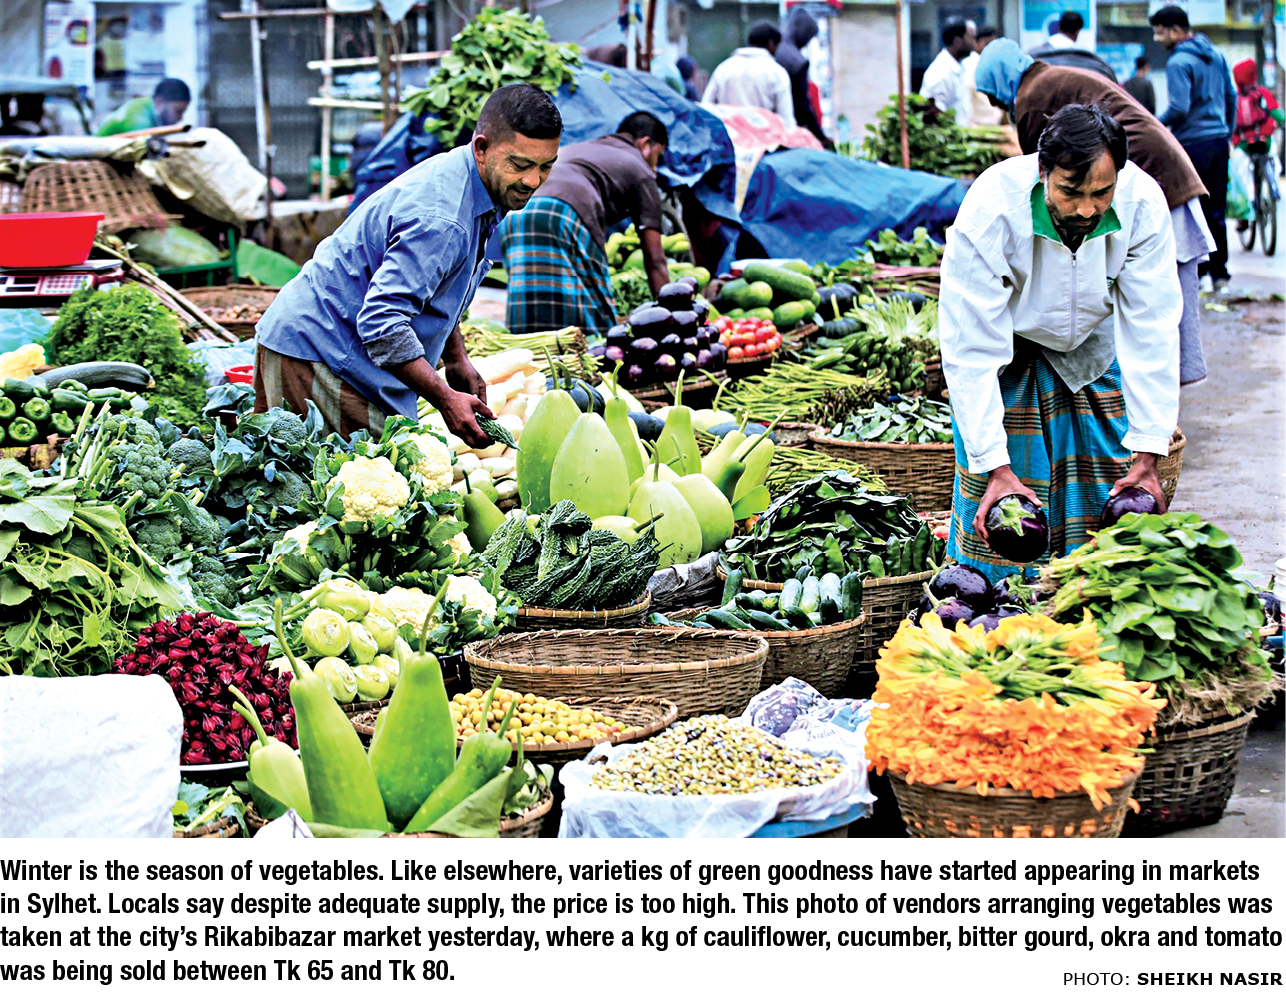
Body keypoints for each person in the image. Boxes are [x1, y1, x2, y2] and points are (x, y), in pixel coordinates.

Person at [939, 104, 1180, 579]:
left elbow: (1151, 327)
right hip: (1009, 352)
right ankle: (999, 601)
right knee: (1005, 522)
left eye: (1102, 192)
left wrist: (1150, 453)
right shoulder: (992, 208)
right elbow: (970, 348)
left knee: (1105, 510)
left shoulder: (1142, 204)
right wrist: (995, 469)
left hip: (1093, 352)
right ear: (1043, 171)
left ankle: (1088, 599)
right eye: (1071, 192)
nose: (1087, 209)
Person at [253, 84, 562, 443]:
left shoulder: (475, 181)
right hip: (318, 355)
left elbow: (435, 286)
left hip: (341, 351)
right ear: (481, 148)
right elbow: (381, 323)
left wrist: (456, 357)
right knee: (341, 475)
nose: (532, 181)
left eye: (545, 167)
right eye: (520, 165)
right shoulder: (442, 219)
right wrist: (444, 399)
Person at [976, 38, 1213, 386]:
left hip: (1158, 182)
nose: (996, 104)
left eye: (993, 96)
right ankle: (1163, 387)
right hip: (1164, 174)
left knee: (1154, 307)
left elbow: (1040, 185)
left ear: (1000, 79)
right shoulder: (1047, 80)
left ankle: (1162, 392)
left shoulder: (1032, 97)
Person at [500, 112, 669, 338]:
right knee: (595, 307)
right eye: (658, 156)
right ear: (646, 144)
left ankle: (531, 352)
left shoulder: (582, 149)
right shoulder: (640, 168)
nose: (656, 167)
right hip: (561, 214)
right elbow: (655, 259)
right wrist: (670, 317)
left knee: (530, 301)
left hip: (516, 213)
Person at [1150, 4, 1237, 290]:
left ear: (1175, 31)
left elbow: (1179, 108)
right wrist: (1226, 133)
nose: (1157, 39)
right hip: (1218, 142)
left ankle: (1198, 275)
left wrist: (1152, 123)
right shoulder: (1216, 54)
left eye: (1159, 33)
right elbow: (1231, 96)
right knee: (1217, 211)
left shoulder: (1178, 62)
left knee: (1193, 211)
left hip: (1192, 144)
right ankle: (1220, 275)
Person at [702, 22, 796, 128]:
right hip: (765, 136)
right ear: (771, 44)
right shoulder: (777, 73)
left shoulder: (723, 69)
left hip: (727, 135)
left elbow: (706, 108)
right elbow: (786, 120)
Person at [776, 7, 832, 148]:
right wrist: (820, 137)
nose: (806, 43)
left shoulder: (774, 49)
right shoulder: (797, 62)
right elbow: (802, 107)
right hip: (786, 131)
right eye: (808, 37)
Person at [920, 21, 975, 125]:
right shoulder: (940, 71)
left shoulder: (961, 66)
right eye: (971, 38)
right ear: (958, 41)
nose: (973, 44)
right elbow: (934, 113)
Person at [96, 77, 189, 136]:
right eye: (178, 111)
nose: (181, 118)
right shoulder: (139, 121)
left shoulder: (147, 106)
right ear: (159, 102)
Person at [1231, 59, 1284, 153]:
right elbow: (1275, 110)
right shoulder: (1261, 91)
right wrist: (1282, 121)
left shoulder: (1233, 97)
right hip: (1264, 139)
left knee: (1238, 161)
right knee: (1273, 159)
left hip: (1242, 143)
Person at [963, 24, 1004, 127]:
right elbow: (978, 97)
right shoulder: (969, 65)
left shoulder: (990, 64)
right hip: (977, 125)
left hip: (993, 124)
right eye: (986, 44)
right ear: (976, 43)